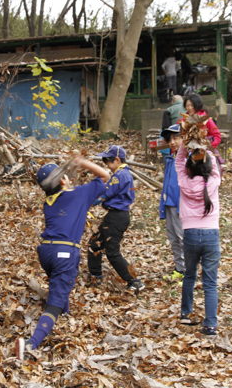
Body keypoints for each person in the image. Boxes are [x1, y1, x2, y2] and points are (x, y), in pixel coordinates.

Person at [15, 158, 109, 360]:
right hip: (64, 253)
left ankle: (64, 314)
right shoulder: (78, 194)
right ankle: (31, 344)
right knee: (54, 303)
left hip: (46, 252)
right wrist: (82, 162)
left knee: (59, 283)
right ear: (63, 181)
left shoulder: (48, 202)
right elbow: (105, 176)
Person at [175, 144, 221, 336]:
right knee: (210, 282)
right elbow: (213, 163)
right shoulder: (214, 181)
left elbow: (178, 161)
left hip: (190, 234)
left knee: (189, 275)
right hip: (211, 235)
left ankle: (186, 313)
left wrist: (187, 145)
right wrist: (203, 146)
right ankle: (210, 324)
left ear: (188, 168)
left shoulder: (183, 181)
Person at [87, 145, 143, 290]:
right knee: (95, 244)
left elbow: (105, 194)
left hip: (117, 217)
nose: (106, 164)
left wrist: (87, 202)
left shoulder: (121, 175)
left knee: (112, 252)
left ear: (117, 160)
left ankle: (134, 281)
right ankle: (95, 276)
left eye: (107, 161)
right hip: (113, 216)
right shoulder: (121, 174)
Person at [159, 125, 185, 283]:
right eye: (170, 139)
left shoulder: (187, 159)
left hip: (180, 204)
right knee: (173, 237)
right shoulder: (172, 158)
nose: (173, 142)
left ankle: (189, 271)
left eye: (176, 137)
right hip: (168, 202)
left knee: (182, 237)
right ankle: (179, 268)